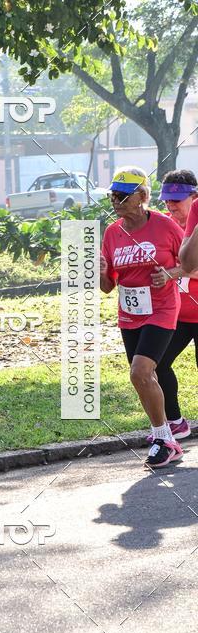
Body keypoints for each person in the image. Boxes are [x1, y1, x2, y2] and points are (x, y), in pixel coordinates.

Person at [100, 167, 183, 468]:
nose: (116, 201)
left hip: (161, 309)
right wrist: (99, 272)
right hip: (130, 314)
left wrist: (171, 273)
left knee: (139, 372)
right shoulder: (112, 233)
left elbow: (190, 260)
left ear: (144, 196)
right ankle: (165, 434)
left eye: (123, 195)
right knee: (144, 378)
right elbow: (108, 286)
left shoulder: (165, 226)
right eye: (113, 195)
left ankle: (163, 438)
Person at [152, 170, 198, 439]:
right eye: (167, 200)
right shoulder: (166, 225)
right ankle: (176, 421)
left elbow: (182, 267)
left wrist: (177, 270)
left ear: (194, 197)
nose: (171, 206)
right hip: (177, 314)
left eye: (177, 200)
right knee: (156, 363)